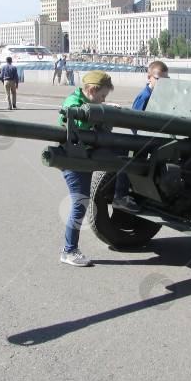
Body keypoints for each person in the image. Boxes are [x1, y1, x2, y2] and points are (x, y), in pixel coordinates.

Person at [58, 70, 116, 267]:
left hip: (82, 157)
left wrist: (105, 108)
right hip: (73, 160)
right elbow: (78, 118)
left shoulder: (84, 99)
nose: (103, 100)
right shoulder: (71, 102)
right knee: (80, 204)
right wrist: (102, 113)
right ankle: (69, 250)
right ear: (91, 90)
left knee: (81, 202)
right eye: (102, 96)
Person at [112, 60, 170, 211]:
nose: (163, 83)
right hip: (143, 140)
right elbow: (135, 122)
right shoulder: (144, 97)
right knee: (131, 162)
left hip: (156, 139)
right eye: (159, 79)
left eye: (166, 80)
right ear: (149, 78)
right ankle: (121, 195)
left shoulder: (163, 95)